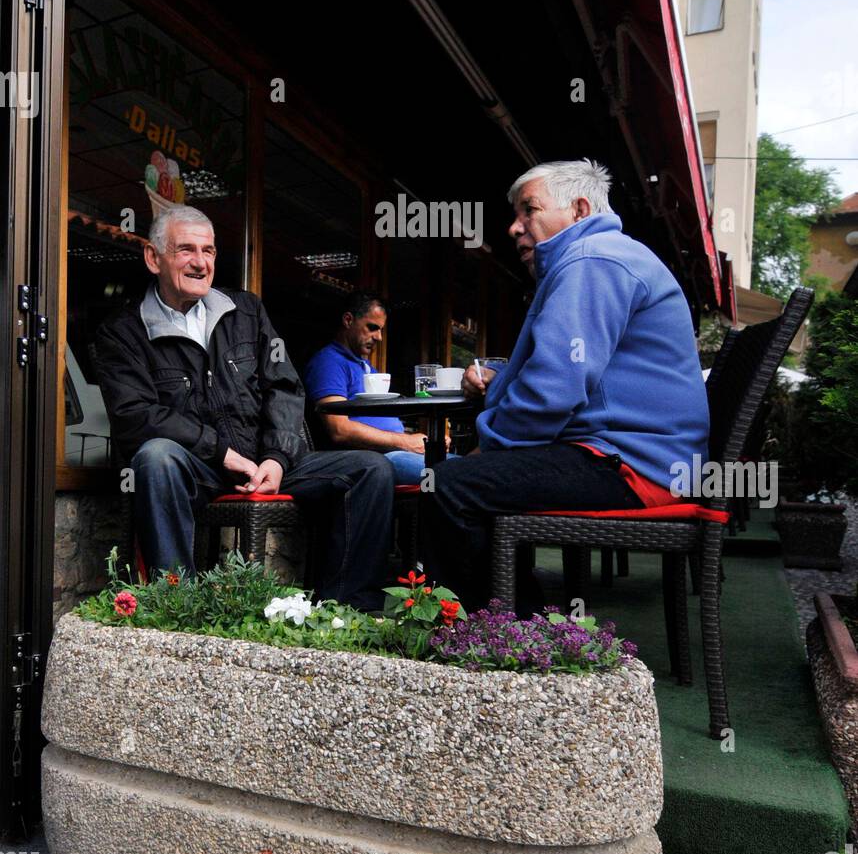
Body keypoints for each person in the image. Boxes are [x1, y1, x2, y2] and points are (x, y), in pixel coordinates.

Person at [419, 159, 710, 611]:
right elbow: (571, 369)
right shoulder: (604, 255)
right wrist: (503, 380)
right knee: (469, 482)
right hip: (646, 456)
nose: (515, 228)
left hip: (631, 463)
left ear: (578, 208)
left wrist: (489, 445)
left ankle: (491, 634)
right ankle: (519, 622)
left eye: (528, 211)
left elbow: (554, 390)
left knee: (446, 484)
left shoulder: (592, 260)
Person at [94, 207, 394, 609]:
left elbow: (285, 387)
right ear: (153, 258)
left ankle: (342, 609)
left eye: (209, 251)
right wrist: (220, 452)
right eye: (186, 250)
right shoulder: (124, 332)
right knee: (156, 457)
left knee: (371, 469)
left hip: (267, 463)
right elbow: (135, 415)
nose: (200, 262)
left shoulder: (247, 312)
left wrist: (276, 458)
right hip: (199, 467)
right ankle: (176, 605)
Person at [305, 292, 434, 484]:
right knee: (452, 475)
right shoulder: (329, 362)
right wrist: (406, 442)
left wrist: (417, 443)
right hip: (373, 461)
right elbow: (339, 430)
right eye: (372, 328)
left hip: (394, 453)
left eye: (381, 330)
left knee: (458, 468)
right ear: (348, 320)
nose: (379, 337)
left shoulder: (365, 367)